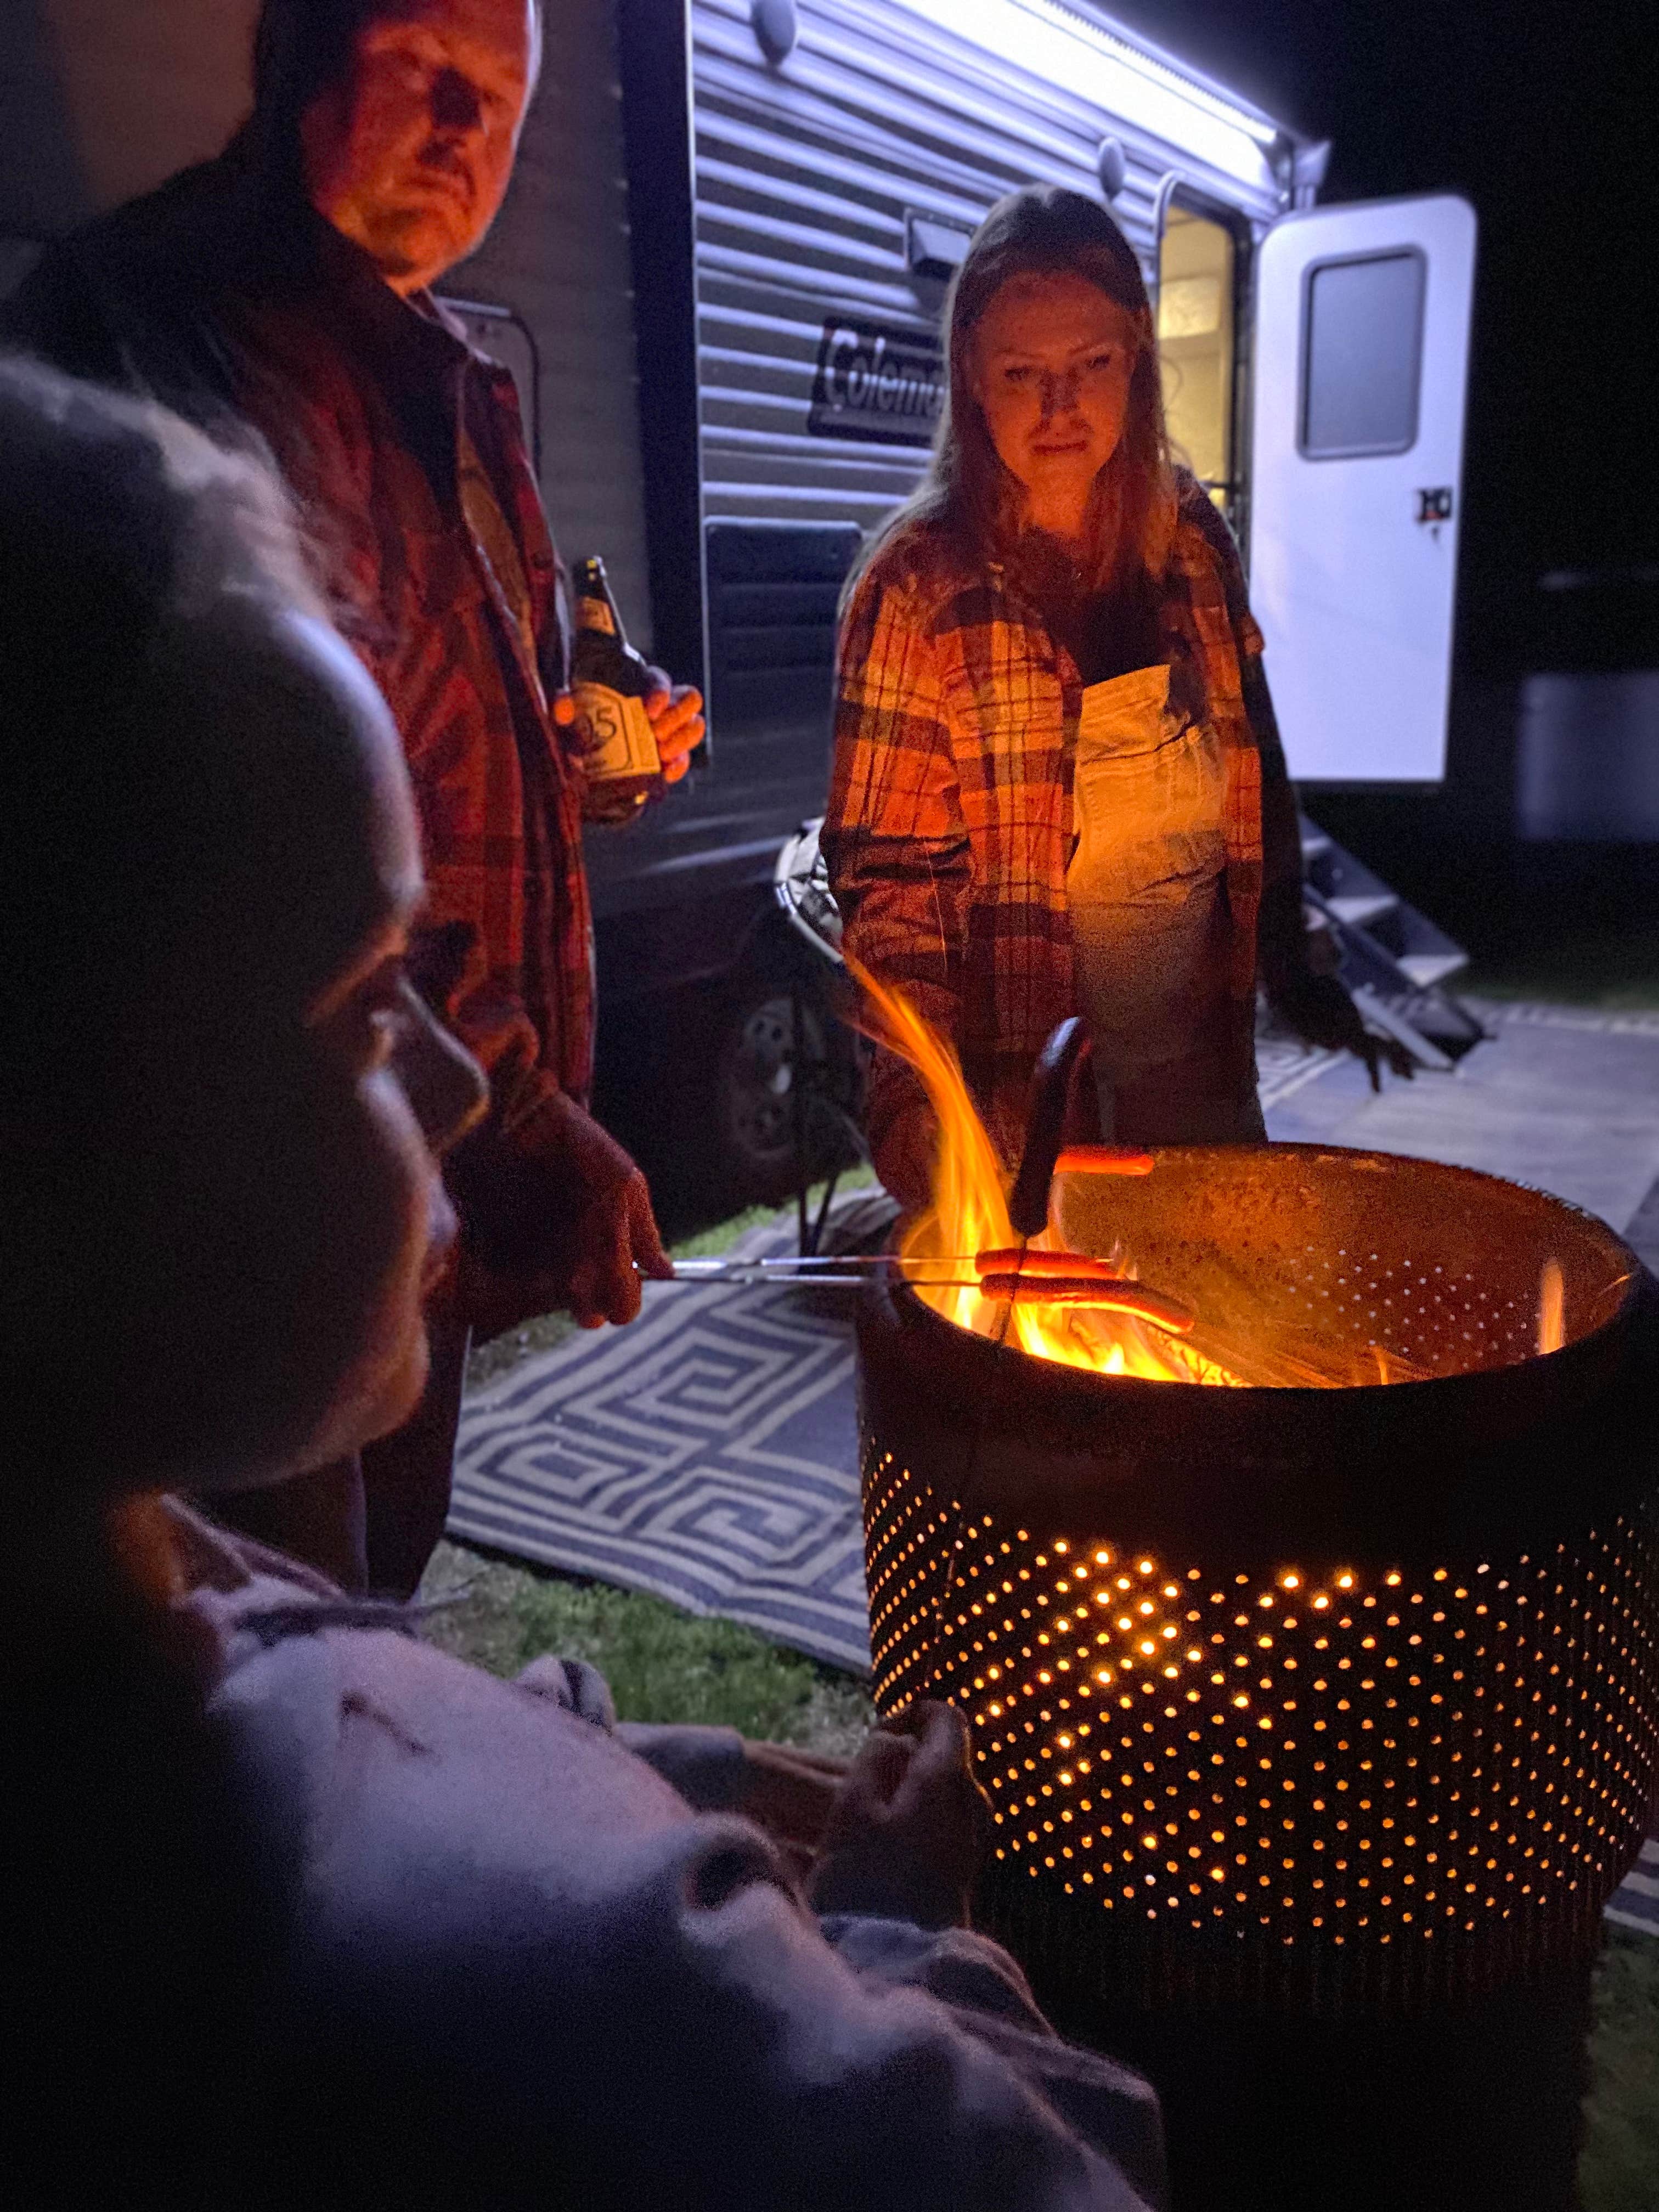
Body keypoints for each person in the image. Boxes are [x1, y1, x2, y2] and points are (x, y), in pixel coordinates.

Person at [0, 356, 1165, 2210]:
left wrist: (623, 1751)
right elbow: (1057, 2177)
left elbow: (328, 1671)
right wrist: (891, 1931)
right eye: (364, 1005)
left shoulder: (138, 1597)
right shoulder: (567, 1982)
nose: (458, 1078)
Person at [2, 0, 704, 1598]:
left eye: (502, 103)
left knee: (378, 1584)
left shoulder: (439, 371)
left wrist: (587, 740)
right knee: (276, 1633)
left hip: (411, 1192)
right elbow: (264, 842)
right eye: (427, 73)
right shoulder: (171, 337)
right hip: (254, 1211)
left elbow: (456, 721)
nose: (468, 136)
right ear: (301, 50)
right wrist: (525, 1109)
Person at [822, 187, 1409, 1215]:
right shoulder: (916, 591)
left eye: (1090, 366)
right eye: (1022, 375)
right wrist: (920, 1116)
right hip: (1031, 1142)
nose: (1060, 408)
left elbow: (1255, 763)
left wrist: (1294, 965)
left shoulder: (1189, 540)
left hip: (1206, 1109)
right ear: (970, 377)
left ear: (1136, 356)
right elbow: (892, 886)